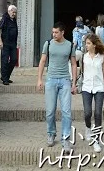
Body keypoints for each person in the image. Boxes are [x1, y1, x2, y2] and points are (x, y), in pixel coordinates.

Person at [37, 22, 77, 153]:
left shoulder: (69, 45)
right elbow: (43, 61)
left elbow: (73, 64)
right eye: (52, 32)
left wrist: (74, 83)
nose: (53, 34)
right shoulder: (48, 44)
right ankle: (51, 133)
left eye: (56, 32)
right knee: (50, 111)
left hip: (65, 80)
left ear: (62, 32)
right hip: (51, 80)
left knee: (67, 112)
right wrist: (39, 79)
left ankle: (65, 138)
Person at [81, 33, 104, 153]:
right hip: (87, 87)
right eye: (86, 43)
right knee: (87, 112)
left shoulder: (102, 57)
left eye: (88, 43)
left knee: (98, 113)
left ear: (94, 45)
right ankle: (88, 128)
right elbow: (82, 72)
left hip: (99, 87)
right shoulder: (84, 57)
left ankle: (96, 140)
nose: (86, 45)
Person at [0, 4, 18, 86]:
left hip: (13, 44)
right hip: (5, 43)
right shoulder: (4, 18)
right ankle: (4, 79)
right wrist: (0, 41)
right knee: (5, 61)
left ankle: (6, 76)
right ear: (9, 11)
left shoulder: (14, 20)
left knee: (14, 59)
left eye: (15, 13)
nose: (14, 14)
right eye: (13, 12)